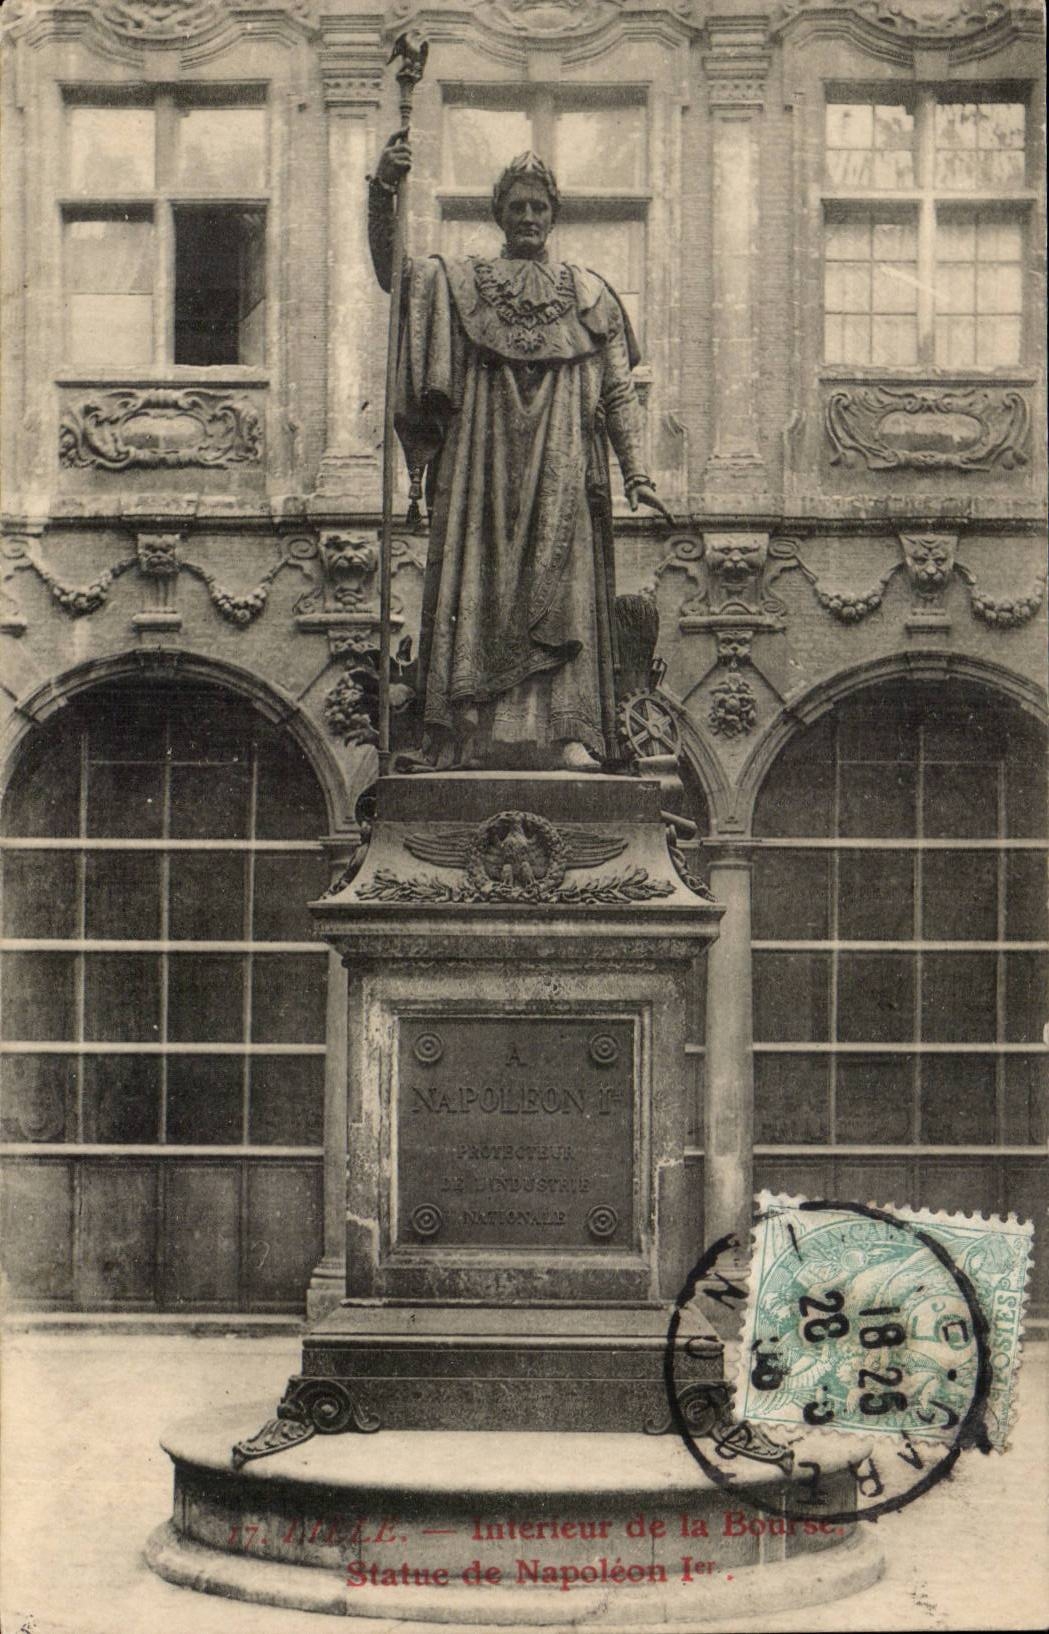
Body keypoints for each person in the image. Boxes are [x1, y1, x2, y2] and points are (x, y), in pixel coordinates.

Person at [369, 135, 671, 772]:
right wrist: (382, 192)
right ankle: (463, 733)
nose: (529, 217)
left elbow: (619, 391)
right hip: (482, 467)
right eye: (517, 207)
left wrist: (637, 473)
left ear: (553, 213)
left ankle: (571, 735)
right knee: (478, 587)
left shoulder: (591, 295)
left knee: (563, 591)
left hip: (564, 468)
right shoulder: (460, 282)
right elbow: (394, 277)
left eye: (539, 207)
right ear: (499, 213)